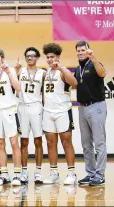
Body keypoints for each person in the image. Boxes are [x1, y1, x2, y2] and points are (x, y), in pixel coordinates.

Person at [41, 43, 78, 185]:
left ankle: (71, 173)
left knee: (66, 142)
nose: (50, 59)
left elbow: (74, 83)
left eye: (53, 57)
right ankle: (54, 173)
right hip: (48, 112)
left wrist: (61, 67)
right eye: (48, 57)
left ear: (58, 57)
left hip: (62, 111)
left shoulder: (62, 71)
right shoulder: (46, 73)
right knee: (51, 143)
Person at [0, 49, 22, 186]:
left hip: (9, 110)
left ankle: (17, 175)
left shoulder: (10, 70)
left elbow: (18, 88)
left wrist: (9, 73)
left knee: (14, 143)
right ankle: (4, 174)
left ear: (2, 58)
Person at [74, 41, 107, 186]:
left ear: (88, 51)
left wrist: (94, 59)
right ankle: (91, 173)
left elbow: (102, 73)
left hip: (96, 106)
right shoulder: (77, 69)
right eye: (78, 50)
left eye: (83, 50)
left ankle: (100, 175)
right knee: (86, 144)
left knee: (99, 143)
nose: (81, 52)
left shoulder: (95, 64)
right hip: (82, 108)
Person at [15, 47, 45, 184]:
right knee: (24, 141)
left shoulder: (43, 73)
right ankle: (24, 171)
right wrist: (15, 72)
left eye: (33, 56)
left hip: (37, 107)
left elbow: (45, 93)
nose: (30, 58)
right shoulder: (20, 72)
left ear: (37, 57)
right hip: (22, 107)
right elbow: (13, 87)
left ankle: (38, 172)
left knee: (38, 140)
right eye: (27, 56)